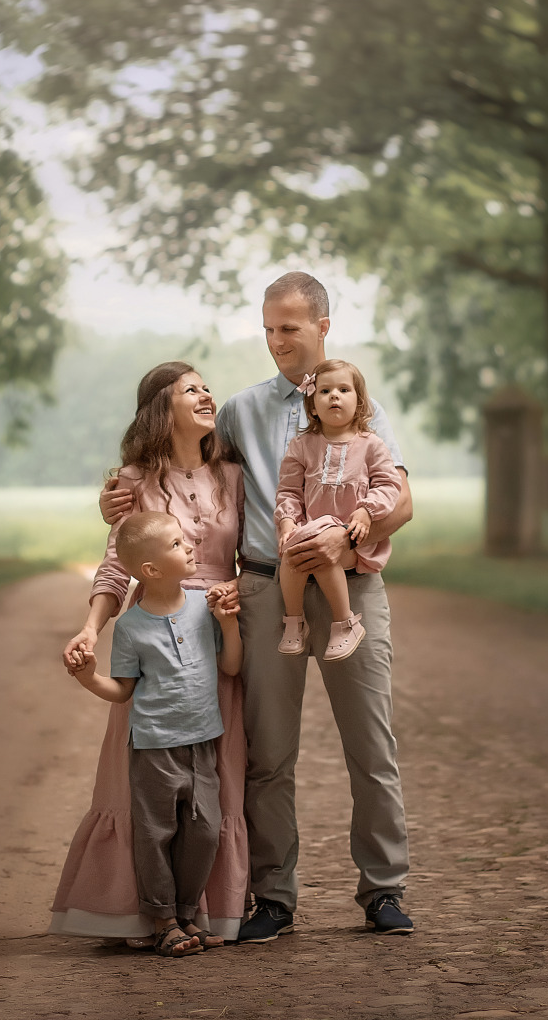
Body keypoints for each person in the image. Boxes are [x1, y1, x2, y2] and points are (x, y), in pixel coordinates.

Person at [101, 272, 417, 941]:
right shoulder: (242, 411)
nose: (276, 341)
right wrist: (117, 495)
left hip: (349, 584)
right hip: (267, 588)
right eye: (268, 328)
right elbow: (182, 467)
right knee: (270, 754)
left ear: (323, 327)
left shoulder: (361, 409)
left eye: (290, 328)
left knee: (372, 746)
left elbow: (401, 500)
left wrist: (354, 526)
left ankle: (383, 890)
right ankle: (274, 897)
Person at [49, 362, 248, 948]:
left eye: (207, 386)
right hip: (156, 634)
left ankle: (207, 910)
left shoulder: (233, 476)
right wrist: (90, 628)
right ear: (162, 410)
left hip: (216, 629)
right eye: (192, 389)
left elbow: (256, 550)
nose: (207, 394)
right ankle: (142, 914)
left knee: (219, 784)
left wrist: (240, 602)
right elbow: (116, 561)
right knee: (147, 784)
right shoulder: (133, 481)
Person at [67, 511, 244, 957]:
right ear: (150, 571)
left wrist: (227, 623)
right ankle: (163, 920)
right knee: (155, 834)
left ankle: (187, 915)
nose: (190, 548)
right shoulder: (129, 628)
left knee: (203, 832)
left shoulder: (205, 607)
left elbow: (232, 666)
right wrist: (89, 678)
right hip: (152, 748)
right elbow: (121, 689)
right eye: (178, 544)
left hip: (203, 742)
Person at [275, 359, 403, 662]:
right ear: (313, 405)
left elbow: (388, 485)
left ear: (359, 402)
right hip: (311, 529)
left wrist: (366, 511)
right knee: (292, 553)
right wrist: (287, 522)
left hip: (351, 538)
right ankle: (294, 621)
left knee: (324, 549)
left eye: (344, 389)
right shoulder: (302, 446)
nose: (334, 395)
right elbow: (289, 491)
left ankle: (345, 623)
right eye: (325, 390)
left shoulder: (371, 445)